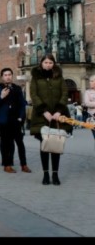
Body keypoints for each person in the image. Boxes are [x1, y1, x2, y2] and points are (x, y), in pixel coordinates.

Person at [30, 54, 70, 186]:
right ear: (41, 63)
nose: (48, 65)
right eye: (46, 62)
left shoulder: (59, 76)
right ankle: (46, 173)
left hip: (58, 116)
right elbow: (34, 95)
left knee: (55, 146)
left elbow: (64, 93)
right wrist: (44, 111)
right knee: (44, 146)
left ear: (54, 64)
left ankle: (55, 174)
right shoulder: (35, 77)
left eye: (51, 62)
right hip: (42, 116)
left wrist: (59, 110)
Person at [0, 68, 31, 174]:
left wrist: (21, 117)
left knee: (20, 143)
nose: (8, 76)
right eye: (5, 75)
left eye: (9, 74)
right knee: (6, 143)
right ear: (2, 77)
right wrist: (1, 97)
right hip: (4, 121)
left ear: (12, 76)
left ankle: (24, 165)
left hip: (15, 120)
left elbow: (23, 104)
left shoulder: (17, 88)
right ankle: (7, 165)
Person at [83, 74, 95, 140]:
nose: (90, 82)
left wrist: (92, 103)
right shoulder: (87, 92)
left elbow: (90, 103)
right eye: (90, 81)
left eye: (92, 81)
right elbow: (87, 103)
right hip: (92, 116)